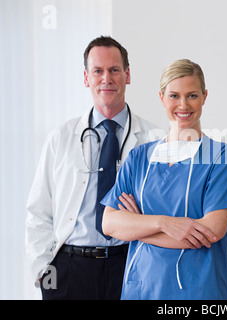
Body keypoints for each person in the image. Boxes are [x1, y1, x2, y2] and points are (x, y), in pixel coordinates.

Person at [101, 59, 227, 300]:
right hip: (141, 289)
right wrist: (163, 223)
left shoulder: (221, 158)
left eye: (192, 95)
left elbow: (209, 233)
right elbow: (109, 224)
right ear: (161, 97)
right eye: (174, 96)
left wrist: (136, 226)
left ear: (204, 96)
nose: (183, 105)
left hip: (198, 291)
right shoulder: (139, 158)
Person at [25, 36, 160, 300]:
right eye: (97, 71)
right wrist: (44, 272)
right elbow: (39, 211)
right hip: (69, 269)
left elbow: (164, 209)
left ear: (127, 75)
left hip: (129, 264)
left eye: (114, 70)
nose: (106, 79)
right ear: (86, 78)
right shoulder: (61, 137)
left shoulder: (154, 139)